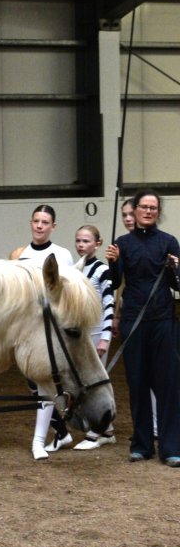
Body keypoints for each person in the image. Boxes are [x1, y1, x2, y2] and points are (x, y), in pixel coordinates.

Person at [105, 189, 180, 466]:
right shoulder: (122, 243)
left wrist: (177, 269)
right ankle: (141, 444)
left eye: (153, 208)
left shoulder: (169, 242)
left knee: (168, 384)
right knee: (137, 383)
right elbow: (114, 282)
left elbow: (177, 285)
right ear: (134, 210)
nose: (148, 211)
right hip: (134, 321)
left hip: (163, 321)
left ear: (158, 212)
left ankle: (171, 447)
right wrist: (112, 262)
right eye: (144, 207)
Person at [9, 204, 74, 460]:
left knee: (43, 382)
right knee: (34, 386)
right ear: (31, 223)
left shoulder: (62, 255)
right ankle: (62, 431)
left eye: (45, 222)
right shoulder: (18, 254)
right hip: (25, 326)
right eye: (36, 221)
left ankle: (38, 441)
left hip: (49, 329)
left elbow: (65, 292)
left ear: (53, 227)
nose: (39, 226)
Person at [113, 198, 158, 438]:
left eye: (132, 213)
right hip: (132, 313)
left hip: (155, 315)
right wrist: (118, 315)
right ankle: (146, 426)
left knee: (157, 373)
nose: (128, 219)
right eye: (125, 215)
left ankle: (157, 424)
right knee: (137, 374)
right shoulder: (122, 245)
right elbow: (119, 285)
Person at [71, 224, 116, 450]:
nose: (81, 245)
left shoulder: (102, 270)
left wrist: (105, 338)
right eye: (78, 241)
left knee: (96, 381)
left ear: (97, 244)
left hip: (98, 334)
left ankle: (95, 432)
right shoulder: (74, 269)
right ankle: (107, 431)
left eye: (86, 241)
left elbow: (109, 304)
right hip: (83, 336)